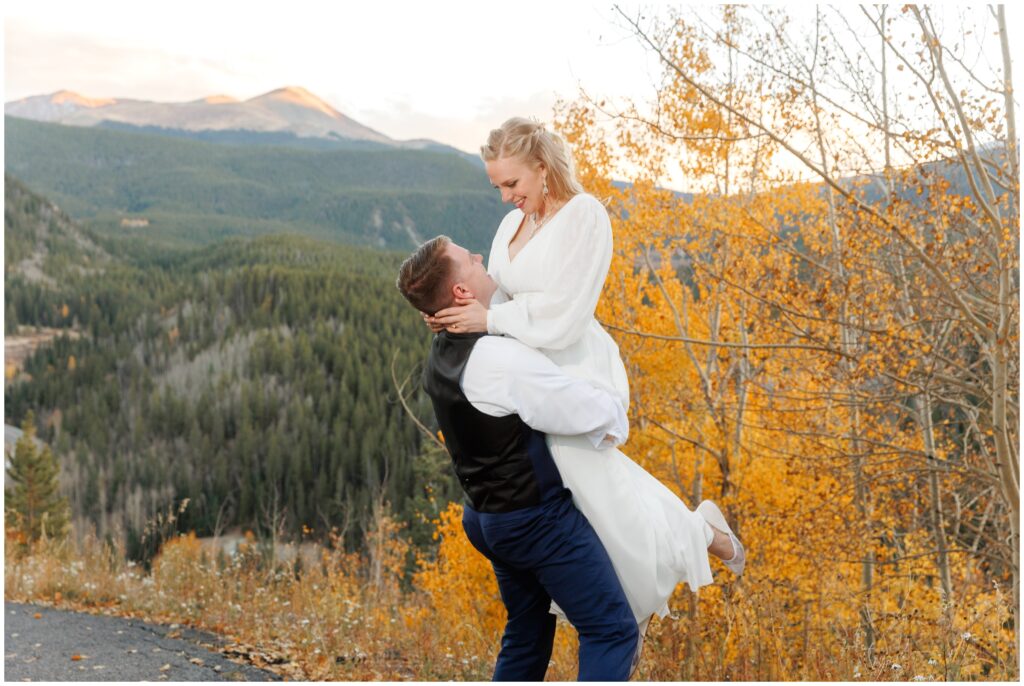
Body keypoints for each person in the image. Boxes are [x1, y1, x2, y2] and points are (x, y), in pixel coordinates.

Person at [426, 118, 746, 632]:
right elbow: (499, 293)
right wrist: (451, 314)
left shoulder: (585, 217)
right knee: (602, 494)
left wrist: (489, 320)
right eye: (498, 187)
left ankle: (670, 568)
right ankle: (690, 539)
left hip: (573, 372)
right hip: (529, 380)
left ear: (541, 167)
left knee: (604, 500)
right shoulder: (512, 226)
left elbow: (565, 315)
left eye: (513, 184)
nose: (506, 198)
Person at [397, 235, 640, 681]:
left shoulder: (444, 350)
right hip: (534, 520)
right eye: (466, 259)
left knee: (527, 631)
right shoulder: (497, 359)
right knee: (611, 630)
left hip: (486, 519)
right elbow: (592, 413)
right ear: (461, 294)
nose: (477, 256)